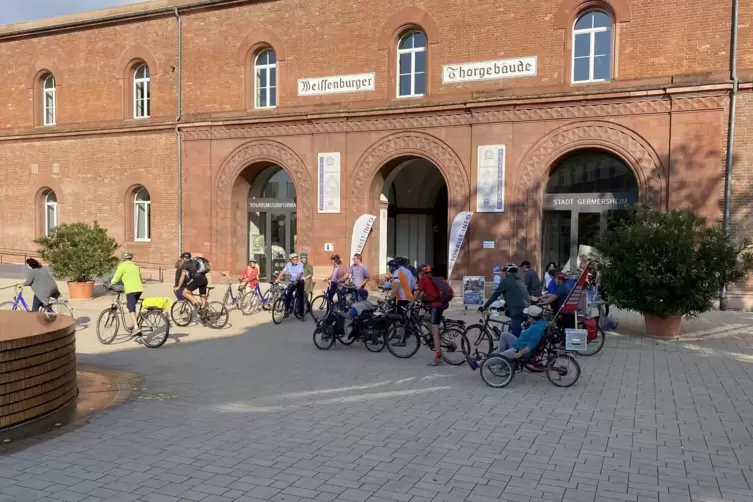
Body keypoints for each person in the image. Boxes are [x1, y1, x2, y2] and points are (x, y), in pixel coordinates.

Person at [466, 306, 548, 370]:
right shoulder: (539, 323)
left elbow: (531, 346)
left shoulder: (536, 329)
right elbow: (528, 335)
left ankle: (477, 364)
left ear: (531, 317)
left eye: (528, 316)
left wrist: (520, 353)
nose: (527, 317)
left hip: (520, 349)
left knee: (500, 356)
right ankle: (496, 358)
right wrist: (524, 327)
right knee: (504, 334)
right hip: (519, 343)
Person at [479, 264, 529, 337]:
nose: (504, 273)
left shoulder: (505, 281)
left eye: (505, 271)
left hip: (516, 312)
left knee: (515, 339)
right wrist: (504, 306)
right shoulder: (520, 281)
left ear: (508, 272)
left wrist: (485, 306)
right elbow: (514, 296)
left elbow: (495, 295)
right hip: (526, 310)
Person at [414, 264, 449, 366]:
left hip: (435, 306)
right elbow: (424, 294)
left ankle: (438, 357)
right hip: (442, 304)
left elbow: (417, 294)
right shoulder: (433, 279)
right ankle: (433, 335)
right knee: (426, 317)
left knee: (435, 332)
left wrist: (411, 304)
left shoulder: (423, 279)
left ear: (421, 272)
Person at [111, 251, 144, 337]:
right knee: (132, 306)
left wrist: (111, 284)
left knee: (131, 308)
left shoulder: (122, 266)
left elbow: (116, 277)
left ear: (123, 258)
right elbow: (141, 278)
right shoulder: (136, 266)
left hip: (131, 290)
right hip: (139, 289)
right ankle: (134, 323)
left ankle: (136, 328)